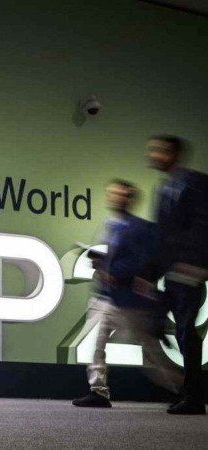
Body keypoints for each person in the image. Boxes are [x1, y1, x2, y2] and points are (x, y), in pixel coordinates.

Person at [72, 180, 182, 408]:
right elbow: (115, 258)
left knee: (151, 353)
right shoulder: (110, 226)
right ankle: (98, 391)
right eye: (111, 193)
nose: (114, 198)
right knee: (96, 342)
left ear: (130, 199)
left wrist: (117, 274)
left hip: (128, 299)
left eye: (120, 194)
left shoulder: (142, 228)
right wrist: (101, 263)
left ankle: (185, 388)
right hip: (105, 296)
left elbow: (145, 261)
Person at [146, 135, 208, 415]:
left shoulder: (197, 183)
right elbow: (162, 237)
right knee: (156, 326)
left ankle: (194, 396)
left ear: (174, 153)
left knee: (185, 332)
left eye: (158, 150)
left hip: (190, 270)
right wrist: (150, 275)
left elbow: (203, 226)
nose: (153, 155)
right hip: (169, 273)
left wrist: (198, 264)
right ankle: (187, 388)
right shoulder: (162, 190)